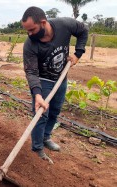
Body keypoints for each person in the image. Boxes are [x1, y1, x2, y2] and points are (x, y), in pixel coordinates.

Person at [21, 6, 88, 160]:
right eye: (27, 30)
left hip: (61, 77)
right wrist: (37, 94)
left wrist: (78, 53)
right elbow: (31, 71)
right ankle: (37, 148)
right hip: (43, 80)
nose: (29, 34)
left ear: (43, 23)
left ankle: (46, 137)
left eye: (32, 30)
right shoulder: (30, 44)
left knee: (55, 110)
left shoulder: (64, 24)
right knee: (41, 114)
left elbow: (83, 31)